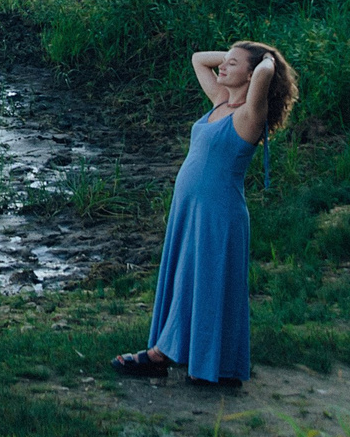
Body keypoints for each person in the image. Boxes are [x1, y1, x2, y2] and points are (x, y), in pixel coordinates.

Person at [111, 41, 299, 386]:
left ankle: (172, 357)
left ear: (252, 73)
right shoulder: (220, 103)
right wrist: (236, 57)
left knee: (207, 281)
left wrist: (268, 61)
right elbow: (197, 59)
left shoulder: (249, 114)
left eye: (232, 64)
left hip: (218, 213)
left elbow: (264, 75)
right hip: (190, 209)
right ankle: (184, 356)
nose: (222, 67)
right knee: (189, 278)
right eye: (224, 62)